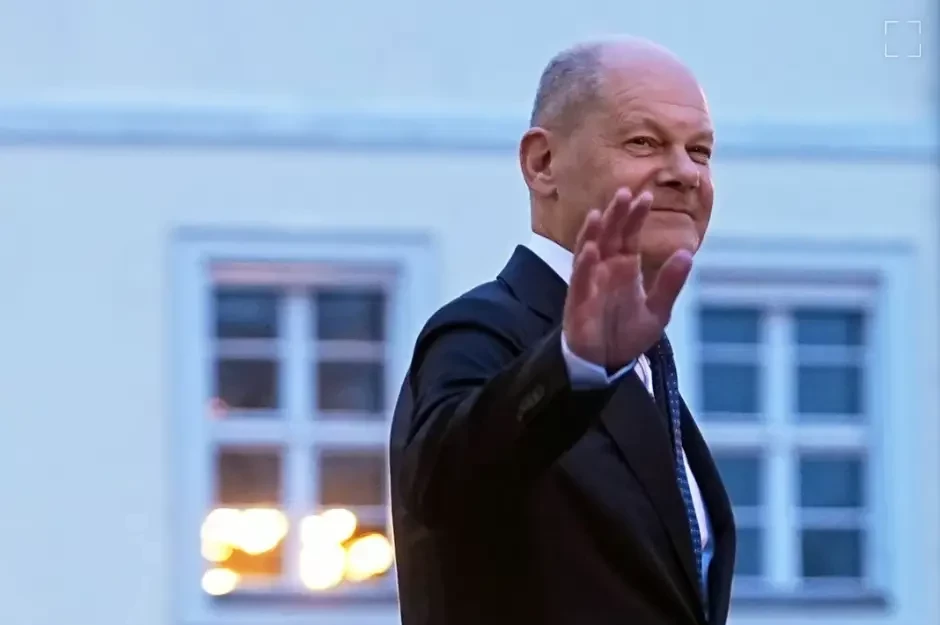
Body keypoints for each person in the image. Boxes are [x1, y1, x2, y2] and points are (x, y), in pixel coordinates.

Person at [389, 37, 736, 625]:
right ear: (542, 163)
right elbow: (443, 486)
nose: (684, 173)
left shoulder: (643, 361)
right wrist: (575, 363)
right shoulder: (483, 332)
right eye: (644, 142)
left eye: (699, 151)